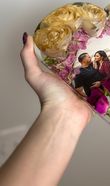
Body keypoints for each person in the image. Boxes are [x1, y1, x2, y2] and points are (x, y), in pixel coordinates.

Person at [0, 33, 92, 186]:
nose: (90, 59)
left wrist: (66, 110)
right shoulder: (80, 72)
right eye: (87, 57)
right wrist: (65, 108)